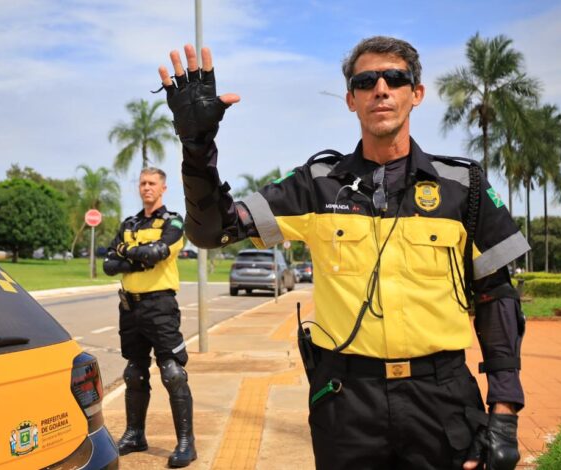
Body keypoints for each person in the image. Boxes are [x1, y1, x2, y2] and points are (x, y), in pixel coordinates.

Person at [158, 37, 527, 470]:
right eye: (366, 81)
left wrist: (504, 417)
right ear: (351, 100)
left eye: (396, 78)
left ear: (416, 93)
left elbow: (496, 297)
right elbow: (213, 232)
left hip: (442, 399)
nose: (381, 89)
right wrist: (196, 146)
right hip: (347, 402)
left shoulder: (464, 186)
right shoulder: (317, 185)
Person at [103, 167, 196, 468]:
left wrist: (126, 252)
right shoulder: (128, 223)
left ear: (163, 188)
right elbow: (108, 263)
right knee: (134, 372)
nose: (146, 188)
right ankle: (134, 434)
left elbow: (158, 252)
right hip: (129, 307)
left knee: (172, 372)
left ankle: (186, 443)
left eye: (152, 183)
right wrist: (139, 257)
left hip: (160, 305)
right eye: (142, 183)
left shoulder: (173, 222)